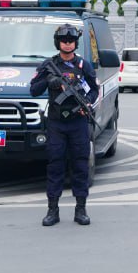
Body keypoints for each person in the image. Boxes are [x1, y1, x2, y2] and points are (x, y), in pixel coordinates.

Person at [28, 23, 99, 227]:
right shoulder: (49, 65)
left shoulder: (83, 65)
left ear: (76, 43)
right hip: (57, 123)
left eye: (71, 41)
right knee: (55, 165)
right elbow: (33, 90)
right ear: (57, 42)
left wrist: (87, 104)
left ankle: (81, 209)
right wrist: (49, 81)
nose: (67, 44)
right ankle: (53, 210)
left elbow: (94, 90)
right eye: (63, 41)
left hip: (78, 122)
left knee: (80, 165)